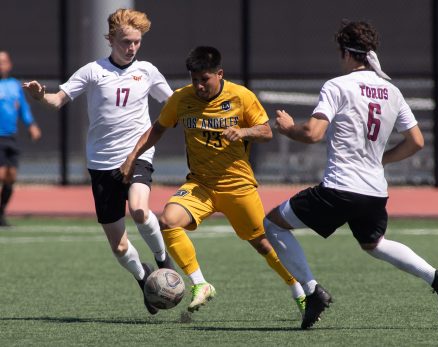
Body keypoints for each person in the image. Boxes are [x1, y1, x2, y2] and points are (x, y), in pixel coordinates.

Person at [263, 20, 438, 329]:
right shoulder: (391, 91)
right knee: (375, 244)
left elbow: (314, 133)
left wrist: (287, 129)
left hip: (340, 188)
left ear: (346, 53)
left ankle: (312, 291)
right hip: (374, 192)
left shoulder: (337, 85)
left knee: (273, 224)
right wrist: (381, 160)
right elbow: (417, 141)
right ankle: (435, 278)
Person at [121, 46, 306, 314]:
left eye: (204, 79)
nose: (198, 85)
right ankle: (201, 284)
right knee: (168, 221)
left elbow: (267, 131)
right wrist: (132, 156)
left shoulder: (241, 96)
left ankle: (299, 290)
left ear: (219, 74)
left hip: (237, 186)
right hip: (200, 185)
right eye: (194, 79)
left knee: (262, 243)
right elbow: (157, 129)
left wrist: (243, 131)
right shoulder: (181, 99)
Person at [22, 8, 175, 315]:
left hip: (139, 153)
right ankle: (144, 278)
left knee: (141, 210)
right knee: (119, 247)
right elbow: (57, 101)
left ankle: (163, 261)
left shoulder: (147, 71)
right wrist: (40, 96)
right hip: (102, 163)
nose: (131, 47)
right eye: (125, 41)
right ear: (110, 39)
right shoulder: (92, 71)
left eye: (136, 42)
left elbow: (172, 103)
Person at [0, 50, 42, 227]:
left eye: (4, 61)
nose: (1, 65)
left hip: (11, 137)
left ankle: (1, 213)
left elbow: (23, 108)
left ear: (9, 64)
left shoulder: (15, 85)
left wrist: (31, 125)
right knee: (1, 174)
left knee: (11, 176)